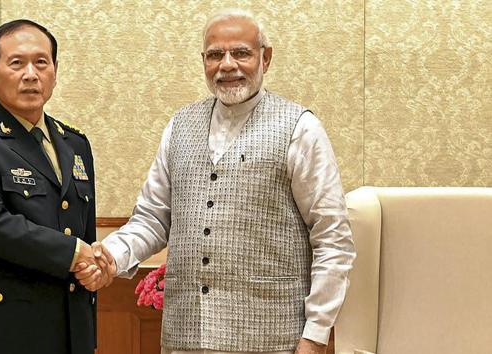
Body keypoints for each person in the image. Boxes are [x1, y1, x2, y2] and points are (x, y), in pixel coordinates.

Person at [76, 8, 356, 354]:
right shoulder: (180, 125)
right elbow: (151, 219)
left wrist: (315, 336)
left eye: (241, 52)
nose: (227, 65)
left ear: (265, 58)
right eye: (215, 55)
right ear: (204, 61)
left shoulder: (301, 128)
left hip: (272, 339)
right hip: (185, 337)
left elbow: (333, 238)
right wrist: (112, 256)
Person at [0, 19, 112, 354]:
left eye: (41, 62)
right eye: (16, 63)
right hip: (2, 330)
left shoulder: (75, 143)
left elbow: (83, 230)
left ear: (55, 72)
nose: (31, 74)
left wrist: (95, 270)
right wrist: (74, 253)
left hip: (70, 328)